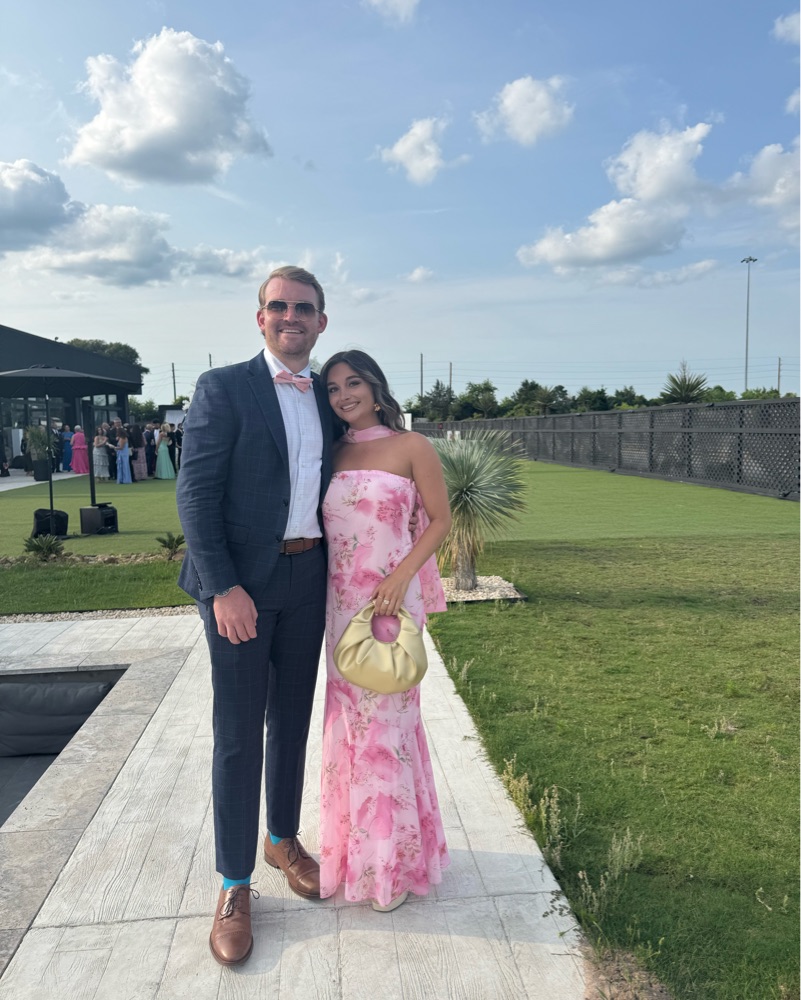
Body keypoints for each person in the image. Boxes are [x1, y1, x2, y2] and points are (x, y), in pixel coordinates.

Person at [176, 265, 335, 968]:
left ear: (321, 321)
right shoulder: (224, 387)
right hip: (240, 587)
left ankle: (282, 839)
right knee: (239, 734)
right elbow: (195, 493)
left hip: (309, 578)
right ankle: (234, 883)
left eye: (303, 307)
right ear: (260, 317)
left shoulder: (329, 394)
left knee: (291, 720)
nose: (290, 316)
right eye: (278, 306)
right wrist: (222, 588)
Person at [319, 350, 451, 911]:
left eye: (353, 383)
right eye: (332, 388)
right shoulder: (330, 452)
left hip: (392, 603)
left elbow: (440, 520)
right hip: (340, 607)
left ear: (375, 387)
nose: (343, 395)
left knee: (389, 730)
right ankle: (356, 858)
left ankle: (392, 868)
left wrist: (399, 578)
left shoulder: (411, 446)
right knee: (351, 730)